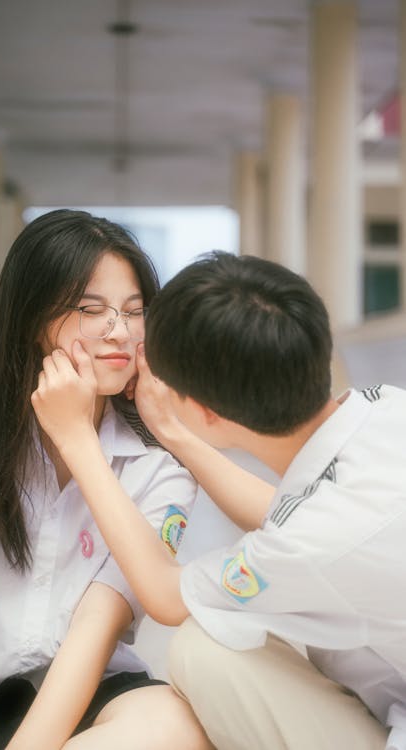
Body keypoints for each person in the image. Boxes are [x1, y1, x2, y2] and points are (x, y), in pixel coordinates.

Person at [31, 250, 406, 750]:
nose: (119, 333)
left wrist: (76, 439)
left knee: (203, 647)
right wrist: (175, 432)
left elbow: (166, 595)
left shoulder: (312, 544)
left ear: (204, 410)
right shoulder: (387, 406)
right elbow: (300, 517)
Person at [0, 209, 213, 750]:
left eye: (134, 311)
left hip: (83, 693)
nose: (119, 331)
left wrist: (78, 439)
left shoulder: (158, 463)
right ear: (32, 320)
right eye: (92, 310)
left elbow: (96, 631)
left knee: (175, 726)